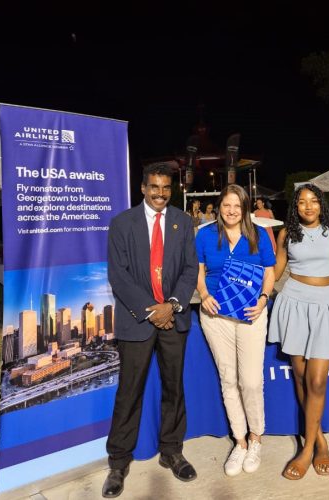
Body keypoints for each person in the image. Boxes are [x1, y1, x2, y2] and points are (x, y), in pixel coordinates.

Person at [103, 163, 199, 498]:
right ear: (143, 188)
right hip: (137, 321)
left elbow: (189, 270)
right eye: (154, 187)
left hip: (174, 319)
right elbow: (119, 276)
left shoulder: (183, 222)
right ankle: (118, 462)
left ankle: (172, 451)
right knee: (129, 391)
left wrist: (170, 306)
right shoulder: (122, 224)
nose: (160, 194)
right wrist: (152, 311)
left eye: (166, 188)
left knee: (174, 388)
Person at [268, 183, 329, 480]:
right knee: (301, 378)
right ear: (295, 206)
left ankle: (306, 450)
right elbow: (276, 269)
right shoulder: (287, 234)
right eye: (302, 202)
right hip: (293, 303)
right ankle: (319, 441)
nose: (308, 206)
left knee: (317, 381)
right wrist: (259, 292)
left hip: (327, 304)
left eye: (313, 201)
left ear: (321, 204)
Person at [195, 184, 276, 477]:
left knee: (251, 381)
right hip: (216, 316)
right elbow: (198, 269)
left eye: (237, 206)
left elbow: (269, 271)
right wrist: (203, 294)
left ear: (245, 208)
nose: (231, 211)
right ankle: (240, 442)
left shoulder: (258, 233)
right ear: (219, 207)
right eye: (226, 205)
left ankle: (256, 437)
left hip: (251, 315)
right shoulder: (205, 234)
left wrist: (264, 299)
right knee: (228, 379)